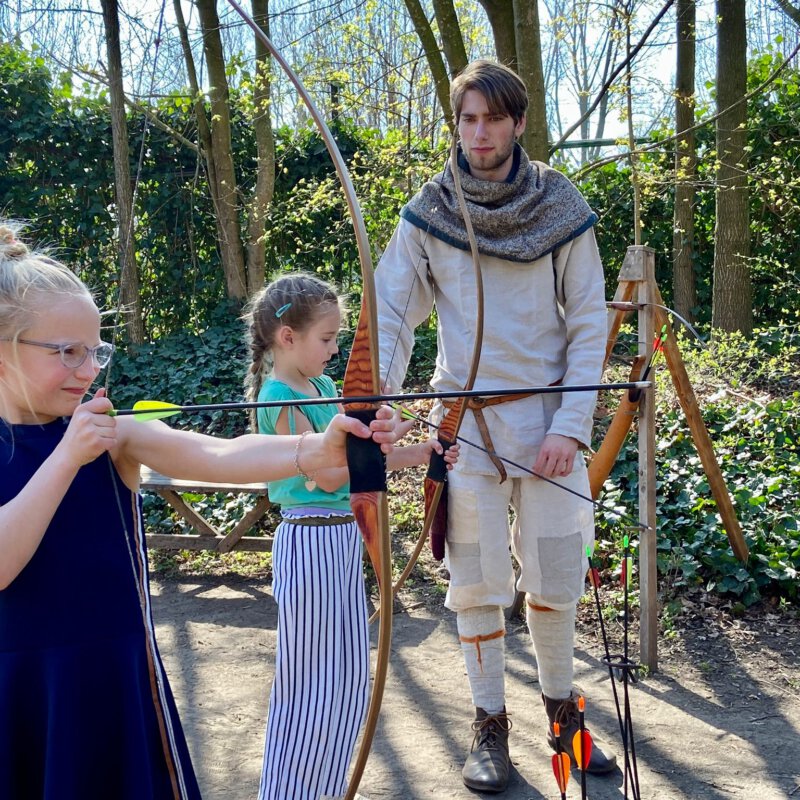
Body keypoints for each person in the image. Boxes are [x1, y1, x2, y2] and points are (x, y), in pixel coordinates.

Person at [0, 223, 398, 800]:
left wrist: (320, 447)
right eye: (66, 353)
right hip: (21, 687)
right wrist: (65, 457)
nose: (88, 370)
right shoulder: (82, 444)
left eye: (95, 351)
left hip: (116, 678)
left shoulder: (115, 437)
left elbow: (218, 453)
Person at [375, 59, 617, 793]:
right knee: (478, 586)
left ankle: (562, 718)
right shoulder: (430, 210)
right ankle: (488, 726)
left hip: (549, 426)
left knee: (554, 580)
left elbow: (588, 321)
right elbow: (392, 311)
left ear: (516, 123)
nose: (477, 133)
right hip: (466, 431)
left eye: (491, 118)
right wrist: (378, 401)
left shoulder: (561, 206)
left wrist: (572, 425)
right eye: (466, 119)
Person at [243, 273, 458, 800]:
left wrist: (420, 448)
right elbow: (330, 475)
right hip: (309, 541)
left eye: (339, 338)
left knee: (345, 683)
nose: (335, 350)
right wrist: (377, 440)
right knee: (313, 685)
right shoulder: (279, 398)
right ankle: (291, 791)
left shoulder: (318, 389)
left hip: (337, 541)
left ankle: (325, 787)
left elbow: (361, 463)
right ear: (286, 338)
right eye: (326, 339)